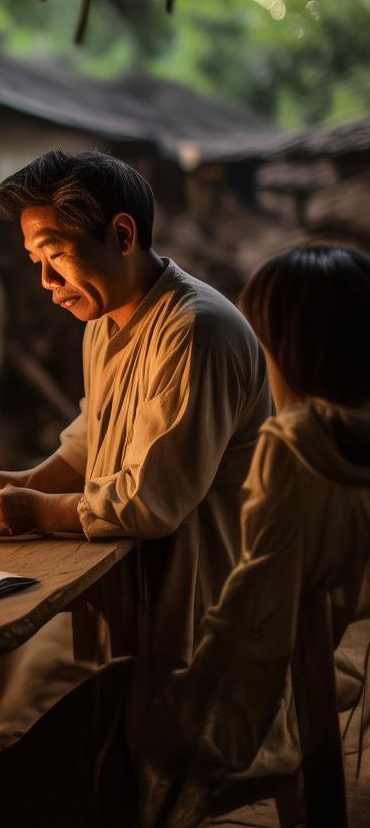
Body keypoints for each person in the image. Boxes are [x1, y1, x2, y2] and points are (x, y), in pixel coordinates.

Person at [0, 149, 271, 743]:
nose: (46, 282)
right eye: (36, 260)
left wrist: (33, 512)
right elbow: (90, 445)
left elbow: (149, 503)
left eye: (56, 255)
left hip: (195, 597)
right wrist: (25, 483)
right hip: (124, 576)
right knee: (1, 663)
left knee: (26, 706)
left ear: (123, 233)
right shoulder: (105, 322)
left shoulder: (194, 331)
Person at [138, 244, 370, 827]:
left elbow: (255, 606)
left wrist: (192, 711)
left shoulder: (294, 445)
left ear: (289, 348)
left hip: (300, 656)